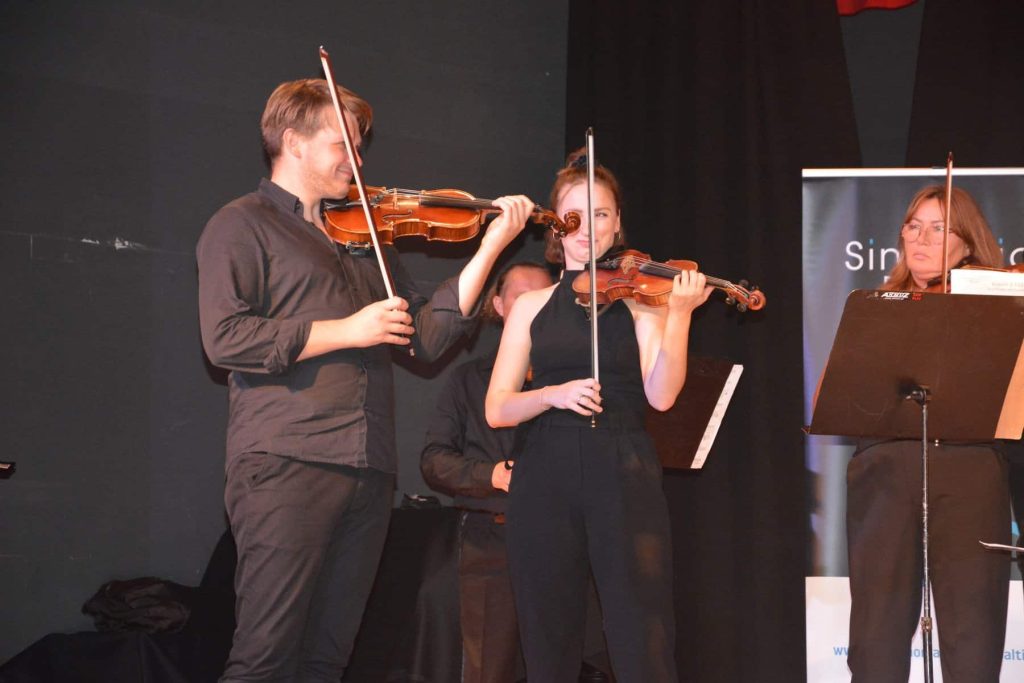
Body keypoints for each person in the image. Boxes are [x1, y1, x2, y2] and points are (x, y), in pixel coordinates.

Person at [196, 78, 533, 682]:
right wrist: (347, 331)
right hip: (288, 461)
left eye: (359, 146)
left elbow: (426, 338)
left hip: (369, 469)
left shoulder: (364, 238)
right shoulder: (241, 224)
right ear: (293, 142)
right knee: (265, 657)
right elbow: (225, 339)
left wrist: (489, 249)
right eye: (342, 145)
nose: (356, 160)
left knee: (328, 659)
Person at [484, 149, 712, 682]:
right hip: (545, 469)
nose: (589, 226)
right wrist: (551, 395)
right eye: (576, 214)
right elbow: (498, 409)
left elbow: (662, 397)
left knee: (641, 627)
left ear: (617, 223)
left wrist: (679, 317)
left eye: (602, 213)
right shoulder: (532, 306)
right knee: (547, 629)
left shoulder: (640, 301)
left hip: (623, 465)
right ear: (556, 225)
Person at [844, 185, 1011, 682]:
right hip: (886, 468)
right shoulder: (875, 306)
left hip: (968, 469)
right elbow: (843, 396)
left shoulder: (996, 303)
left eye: (939, 228)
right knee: (875, 633)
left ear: (968, 241)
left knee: (971, 630)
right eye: (913, 226)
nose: (922, 239)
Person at [421, 261, 611, 683]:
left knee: (582, 662)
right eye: (521, 297)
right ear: (499, 306)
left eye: (543, 297)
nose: (533, 306)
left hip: (569, 541)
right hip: (494, 541)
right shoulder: (468, 380)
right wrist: (492, 474)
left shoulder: (581, 379)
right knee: (491, 667)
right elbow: (433, 460)